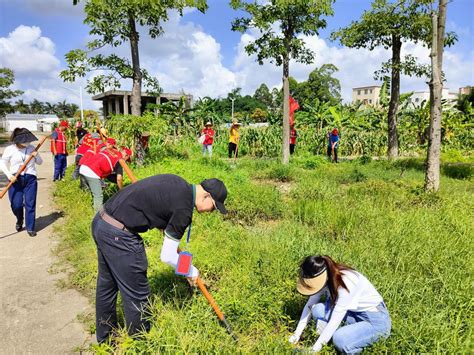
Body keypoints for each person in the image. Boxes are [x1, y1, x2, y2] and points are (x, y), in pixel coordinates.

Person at [91, 174, 228, 343]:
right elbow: (168, 255)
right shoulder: (183, 210)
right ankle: (140, 345)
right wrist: (191, 271)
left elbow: (165, 228)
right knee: (137, 293)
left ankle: (105, 340)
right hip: (119, 236)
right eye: (213, 207)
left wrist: (186, 266)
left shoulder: (178, 183)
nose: (210, 212)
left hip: (101, 222)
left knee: (107, 286)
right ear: (207, 196)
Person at [289, 255, 391, 353]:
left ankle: (350, 342)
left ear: (322, 277)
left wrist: (314, 351)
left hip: (375, 322)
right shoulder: (325, 277)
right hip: (352, 314)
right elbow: (310, 305)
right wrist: (296, 334)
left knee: (339, 339)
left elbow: (334, 322)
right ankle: (335, 337)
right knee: (317, 309)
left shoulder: (346, 283)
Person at [0, 128, 43, 237]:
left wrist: (36, 155)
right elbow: (2, 163)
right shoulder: (10, 149)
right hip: (15, 179)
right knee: (16, 205)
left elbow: (40, 162)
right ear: (17, 140)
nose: (27, 143)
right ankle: (20, 219)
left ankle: (30, 227)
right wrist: (9, 176)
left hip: (30, 179)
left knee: (30, 204)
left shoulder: (32, 148)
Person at [79, 138, 129, 211]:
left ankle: (94, 207)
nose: (126, 161)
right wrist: (122, 191)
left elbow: (108, 174)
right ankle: (97, 215)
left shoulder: (111, 151)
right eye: (127, 159)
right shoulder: (120, 160)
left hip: (84, 167)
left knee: (95, 191)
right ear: (126, 156)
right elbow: (119, 178)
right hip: (91, 172)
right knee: (98, 195)